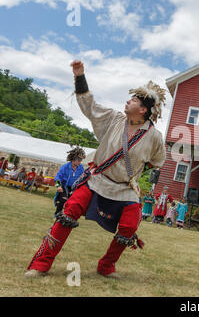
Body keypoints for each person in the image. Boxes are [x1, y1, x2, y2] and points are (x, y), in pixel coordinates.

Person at [25, 59, 166, 278]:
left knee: (129, 226)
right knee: (69, 212)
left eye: (133, 100)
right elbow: (89, 106)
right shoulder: (113, 119)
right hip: (96, 180)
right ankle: (40, 264)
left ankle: (106, 266)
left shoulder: (155, 137)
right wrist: (79, 76)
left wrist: (133, 173)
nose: (128, 101)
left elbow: (157, 161)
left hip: (125, 189)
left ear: (143, 109)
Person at [53, 146, 86, 216]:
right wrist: (58, 186)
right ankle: (57, 214)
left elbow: (82, 178)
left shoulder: (80, 168)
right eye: (79, 160)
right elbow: (57, 177)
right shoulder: (65, 167)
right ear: (74, 159)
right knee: (63, 199)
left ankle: (67, 215)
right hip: (64, 186)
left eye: (81, 160)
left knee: (72, 202)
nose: (80, 162)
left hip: (74, 188)